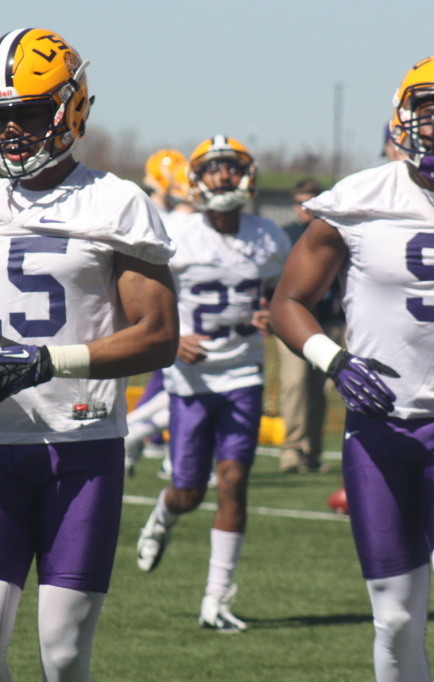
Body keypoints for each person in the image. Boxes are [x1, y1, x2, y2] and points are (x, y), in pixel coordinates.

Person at [271, 54, 434, 681]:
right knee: (396, 617)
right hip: (377, 429)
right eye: (431, 115)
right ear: (404, 118)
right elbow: (287, 304)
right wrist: (334, 361)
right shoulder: (357, 199)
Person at [0, 29, 177, 681]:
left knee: (64, 656)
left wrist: (48, 362)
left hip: (83, 445)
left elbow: (158, 335)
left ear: (71, 108)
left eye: (30, 112)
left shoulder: (117, 202)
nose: (12, 128)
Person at [135, 135, 289, 632]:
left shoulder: (269, 237)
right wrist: (170, 336)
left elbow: (289, 298)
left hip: (243, 373)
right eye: (214, 168)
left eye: (231, 167)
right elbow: (139, 297)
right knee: (187, 491)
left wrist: (274, 315)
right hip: (190, 379)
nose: (223, 176)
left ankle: (215, 599)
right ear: (196, 179)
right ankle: (164, 514)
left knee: (235, 482)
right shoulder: (175, 232)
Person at [276, 177, 337, 473]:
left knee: (320, 390)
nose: (305, 209)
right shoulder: (283, 235)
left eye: (311, 203)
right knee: (295, 384)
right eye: (301, 203)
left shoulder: (332, 232)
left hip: (326, 320)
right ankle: (292, 451)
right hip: (293, 321)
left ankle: (312, 453)